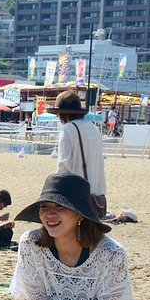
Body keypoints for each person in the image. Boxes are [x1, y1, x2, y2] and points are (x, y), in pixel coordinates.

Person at [52, 89, 107, 218]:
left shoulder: (67, 129)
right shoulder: (94, 128)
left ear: (62, 114)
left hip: (75, 194)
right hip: (95, 196)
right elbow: (100, 162)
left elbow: (63, 165)